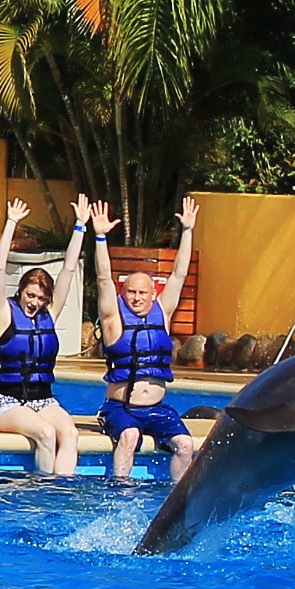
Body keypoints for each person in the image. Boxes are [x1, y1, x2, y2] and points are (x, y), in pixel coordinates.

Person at [91, 196, 201, 480]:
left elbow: (179, 273)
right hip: (121, 409)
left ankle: (175, 497)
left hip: (157, 410)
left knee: (186, 445)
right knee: (129, 436)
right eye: (131, 292)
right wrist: (101, 238)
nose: (137, 298)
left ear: (153, 294)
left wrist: (187, 230)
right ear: (123, 293)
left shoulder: (162, 312)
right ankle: (121, 491)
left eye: (142, 293)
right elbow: (103, 278)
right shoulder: (113, 319)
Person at [0, 194, 89, 477]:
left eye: (41, 298)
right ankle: (42, 491)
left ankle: (61, 491)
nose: (35, 302)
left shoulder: (48, 315)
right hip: (7, 403)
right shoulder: (3, 314)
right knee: (46, 433)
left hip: (43, 401)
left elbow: (68, 269)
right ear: (20, 291)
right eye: (31, 295)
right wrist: (11, 222)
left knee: (70, 433)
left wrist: (80, 226)